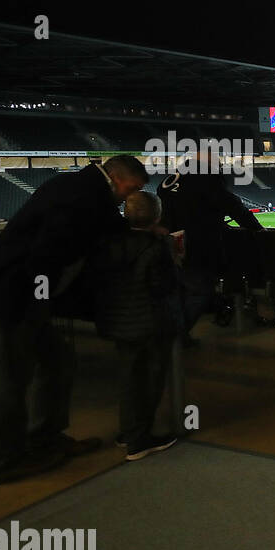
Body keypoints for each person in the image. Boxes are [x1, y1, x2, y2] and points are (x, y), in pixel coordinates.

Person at [0, 155, 149, 484]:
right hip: (13, 296)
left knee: (57, 361)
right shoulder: (83, 194)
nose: (128, 197)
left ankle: (45, 437)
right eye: (131, 189)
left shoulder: (85, 190)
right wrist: (38, 302)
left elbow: (104, 221)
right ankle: (3, 458)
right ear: (119, 179)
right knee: (11, 376)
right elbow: (44, 254)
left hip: (23, 293)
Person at [94, 192, 181, 461]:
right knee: (150, 381)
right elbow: (163, 286)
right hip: (149, 322)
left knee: (130, 379)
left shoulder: (111, 243)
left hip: (120, 320)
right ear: (156, 216)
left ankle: (129, 432)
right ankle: (139, 440)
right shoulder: (156, 248)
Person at [158, 149, 263, 345]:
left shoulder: (170, 179)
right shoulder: (206, 178)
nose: (220, 168)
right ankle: (173, 338)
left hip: (170, 244)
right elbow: (233, 206)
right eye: (218, 164)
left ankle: (175, 333)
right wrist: (259, 230)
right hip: (198, 246)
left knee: (181, 291)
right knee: (201, 290)